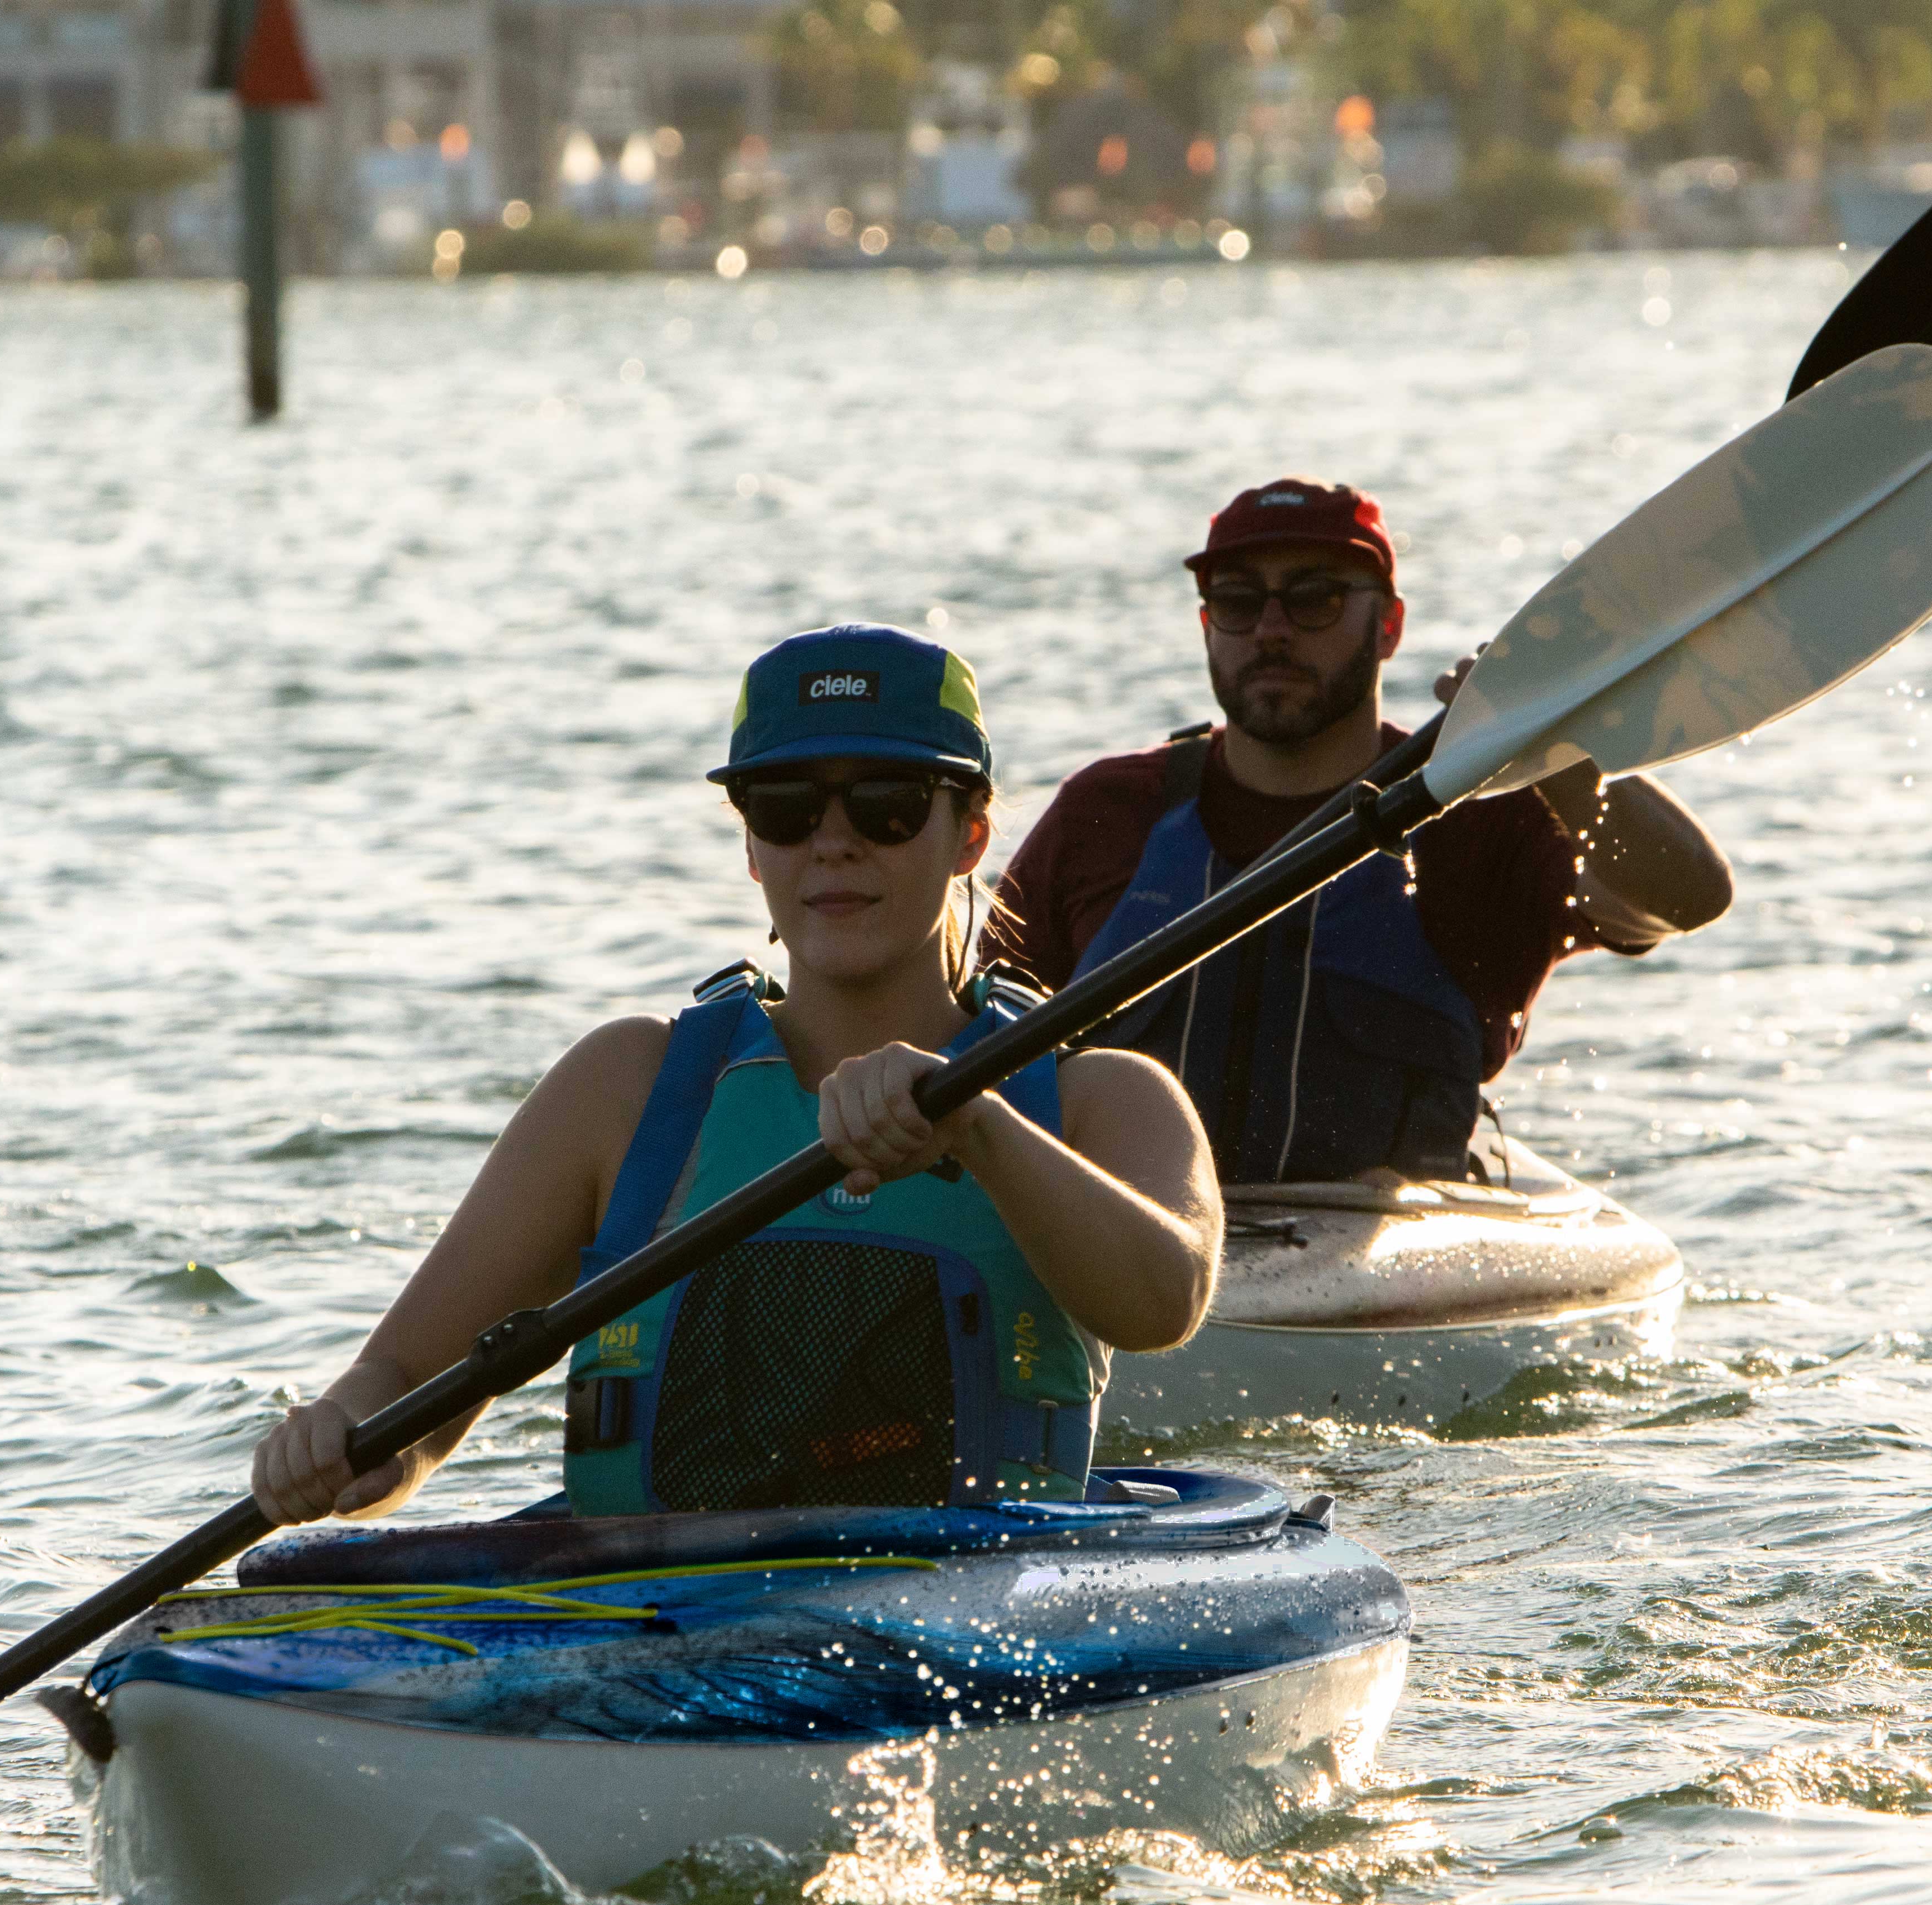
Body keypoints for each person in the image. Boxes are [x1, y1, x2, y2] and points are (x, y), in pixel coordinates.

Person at [248, 623, 1220, 1528]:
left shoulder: (1099, 1099)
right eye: (788, 809)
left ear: (970, 833)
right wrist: (348, 1438)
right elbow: (407, 1379)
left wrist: (980, 1128)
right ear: (752, 844)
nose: (832, 842)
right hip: (659, 1621)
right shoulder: (624, 1087)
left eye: (887, 806)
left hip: (974, 1612)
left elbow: (1163, 1306)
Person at [988, 478, 1735, 1188]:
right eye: (1239, 602)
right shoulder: (1107, 809)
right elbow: (969, 1026)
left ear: (1389, 626)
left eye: (1314, 599)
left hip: (1375, 1268)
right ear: (1206, 623)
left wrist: (1558, 757)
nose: (1272, 631)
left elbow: (1687, 898)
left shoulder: (1481, 814)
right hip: (1125, 1252)